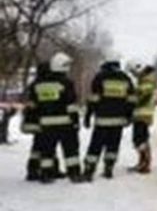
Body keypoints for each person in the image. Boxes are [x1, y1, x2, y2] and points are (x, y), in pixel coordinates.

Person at [22, 52, 84, 183]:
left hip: (46, 124)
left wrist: (33, 121)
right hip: (65, 124)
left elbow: (33, 105)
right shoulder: (66, 83)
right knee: (71, 150)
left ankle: (46, 174)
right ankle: (74, 173)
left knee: (47, 150)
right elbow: (71, 105)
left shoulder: (37, 84)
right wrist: (76, 121)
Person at [83, 60, 137, 181]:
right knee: (113, 144)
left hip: (102, 119)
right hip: (118, 120)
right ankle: (109, 168)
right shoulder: (125, 78)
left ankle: (89, 170)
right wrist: (129, 116)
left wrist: (88, 115)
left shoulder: (100, 77)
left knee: (96, 145)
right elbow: (131, 99)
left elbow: (94, 99)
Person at [130, 64, 157, 174]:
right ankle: (143, 162)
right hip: (142, 114)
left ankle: (145, 163)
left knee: (140, 139)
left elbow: (141, 97)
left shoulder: (147, 82)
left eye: (136, 72)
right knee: (141, 138)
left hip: (142, 114)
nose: (135, 75)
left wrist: (131, 103)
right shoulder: (145, 81)